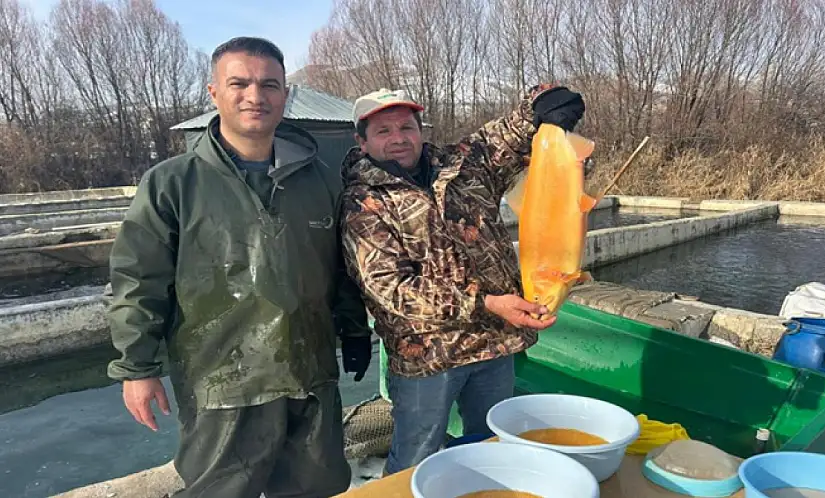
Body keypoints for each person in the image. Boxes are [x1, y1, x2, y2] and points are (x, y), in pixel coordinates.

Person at [106, 36, 373, 498]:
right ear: (214, 93)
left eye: (270, 84)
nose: (256, 96)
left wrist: (353, 331)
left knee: (317, 486)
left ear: (285, 96)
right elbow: (138, 280)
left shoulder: (322, 180)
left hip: (309, 375)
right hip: (221, 384)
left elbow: (341, 267)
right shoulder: (173, 183)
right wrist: (137, 367)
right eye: (240, 83)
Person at [339, 84, 586, 475]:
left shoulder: (462, 165)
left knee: (492, 446)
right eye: (383, 131)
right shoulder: (363, 203)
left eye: (406, 127)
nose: (399, 138)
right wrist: (486, 303)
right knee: (416, 458)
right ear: (362, 141)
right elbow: (390, 289)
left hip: (492, 345)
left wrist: (544, 106)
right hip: (427, 359)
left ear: (422, 130)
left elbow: (507, 133)